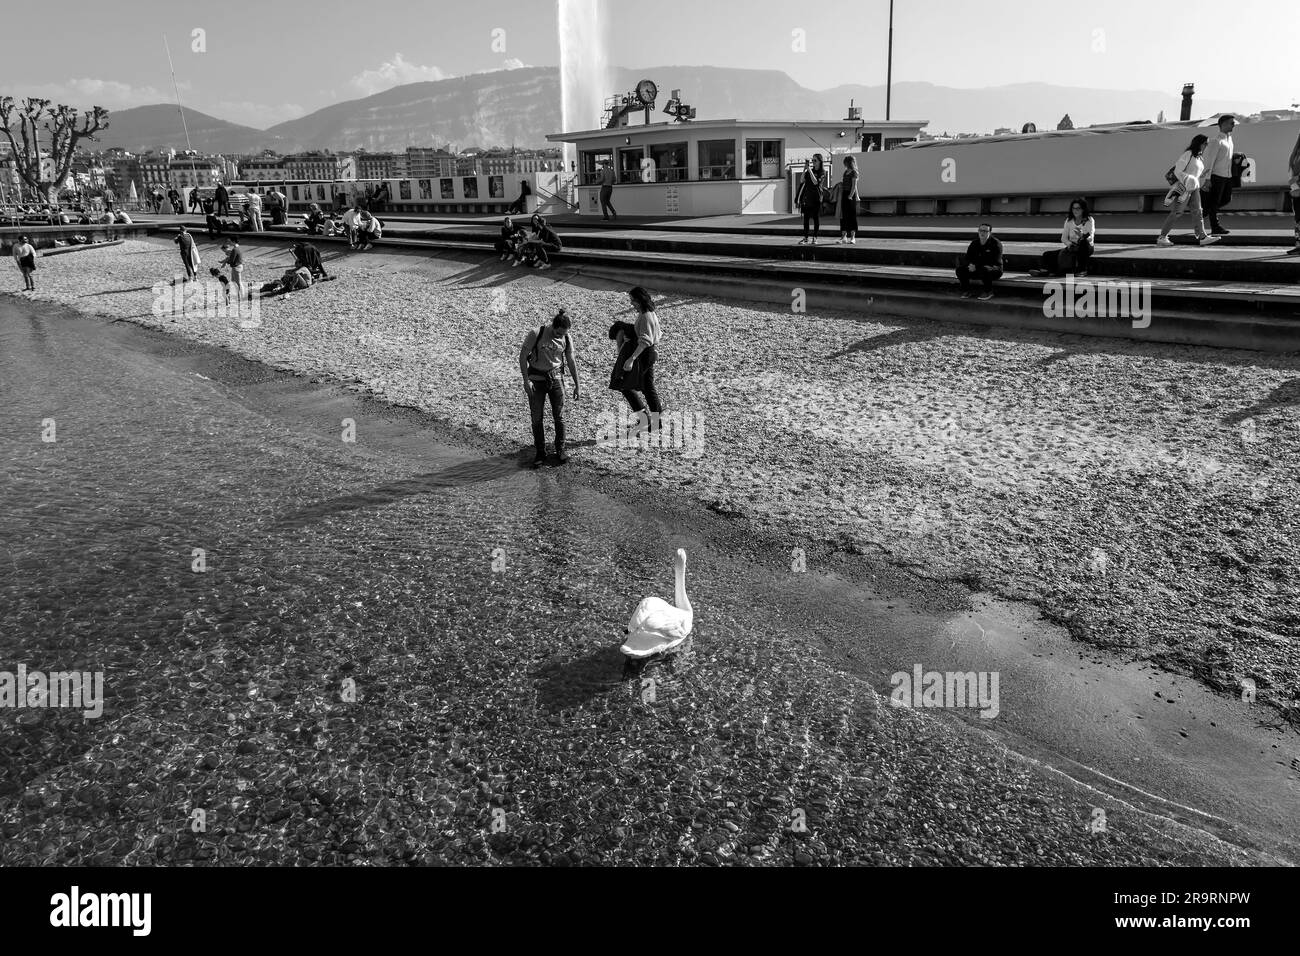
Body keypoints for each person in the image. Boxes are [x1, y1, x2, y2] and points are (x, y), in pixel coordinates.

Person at [519, 308, 580, 468]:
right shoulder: (536, 333)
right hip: (536, 380)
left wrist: (577, 385)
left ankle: (560, 450)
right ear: (552, 326)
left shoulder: (567, 337)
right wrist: (526, 381)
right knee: (536, 418)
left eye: (563, 334)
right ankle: (540, 452)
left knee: (559, 416)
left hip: (556, 379)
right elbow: (522, 356)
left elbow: (571, 361)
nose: (560, 336)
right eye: (558, 333)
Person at [1157, 134, 1219, 247]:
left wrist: (1201, 176)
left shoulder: (1200, 158)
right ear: (1199, 143)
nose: (1206, 146)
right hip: (1184, 187)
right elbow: (1178, 171)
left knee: (1198, 211)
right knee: (1177, 212)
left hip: (1194, 187)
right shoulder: (1188, 154)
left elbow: (1194, 173)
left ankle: (1202, 237)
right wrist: (1189, 178)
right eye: (1205, 143)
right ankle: (1162, 237)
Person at [622, 286, 664, 432]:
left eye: (633, 300)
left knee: (624, 384)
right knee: (648, 388)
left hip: (644, 354)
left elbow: (645, 340)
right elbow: (656, 334)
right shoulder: (650, 313)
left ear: (639, 300)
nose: (631, 303)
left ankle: (646, 419)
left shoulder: (645, 316)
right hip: (649, 353)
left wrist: (631, 358)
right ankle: (656, 422)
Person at [1034, 198, 1096, 277]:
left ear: (1083, 209)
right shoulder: (1069, 221)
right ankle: (1047, 271)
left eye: (1078, 208)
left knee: (1083, 242)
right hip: (1073, 246)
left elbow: (1090, 238)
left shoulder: (1089, 220)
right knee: (1047, 254)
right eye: (1073, 208)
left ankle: (1082, 270)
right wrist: (1070, 244)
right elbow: (1063, 238)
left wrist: (1082, 235)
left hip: (1086, 247)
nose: (1075, 210)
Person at [1200, 114, 1236, 236]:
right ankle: (1215, 226)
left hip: (1227, 176)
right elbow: (1209, 161)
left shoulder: (1229, 140)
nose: (1233, 125)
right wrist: (1207, 179)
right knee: (1214, 202)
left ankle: (1206, 211)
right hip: (1216, 176)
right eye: (1231, 123)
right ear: (1224, 124)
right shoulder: (1216, 141)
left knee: (1227, 199)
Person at [608, 319, 647, 419]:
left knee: (625, 387)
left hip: (629, 359)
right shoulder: (631, 331)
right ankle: (645, 416)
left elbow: (620, 350)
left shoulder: (622, 332)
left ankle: (644, 417)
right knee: (627, 388)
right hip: (638, 357)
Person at [955, 223, 1004, 299]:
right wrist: (970, 265)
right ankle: (967, 291)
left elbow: (994, 261)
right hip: (977, 268)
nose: (982, 233)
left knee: (985, 269)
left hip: (994, 269)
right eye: (980, 230)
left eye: (985, 231)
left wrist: (977, 266)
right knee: (960, 270)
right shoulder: (974, 243)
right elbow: (967, 258)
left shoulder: (996, 244)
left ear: (990, 233)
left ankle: (988, 292)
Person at [795, 154, 828, 245]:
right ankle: (805, 238)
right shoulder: (810, 170)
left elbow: (815, 182)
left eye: (815, 160)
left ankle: (815, 237)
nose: (813, 162)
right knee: (806, 219)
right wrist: (804, 170)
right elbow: (802, 180)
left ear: (820, 161)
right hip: (807, 197)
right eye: (812, 160)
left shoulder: (822, 172)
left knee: (815, 218)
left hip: (816, 198)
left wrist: (809, 170)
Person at [837, 155, 860, 244]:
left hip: (850, 195)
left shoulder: (854, 172)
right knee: (843, 216)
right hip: (844, 194)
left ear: (849, 163)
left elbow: (854, 186)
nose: (845, 165)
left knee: (852, 216)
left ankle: (853, 237)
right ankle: (844, 236)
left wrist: (852, 196)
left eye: (846, 163)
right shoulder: (845, 172)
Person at [1286, 133, 1300, 256]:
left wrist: (1297, 179)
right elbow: (1291, 172)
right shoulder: (1296, 153)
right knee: (1298, 220)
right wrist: (1294, 185)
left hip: (1297, 188)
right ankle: (1298, 245)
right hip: (1296, 190)